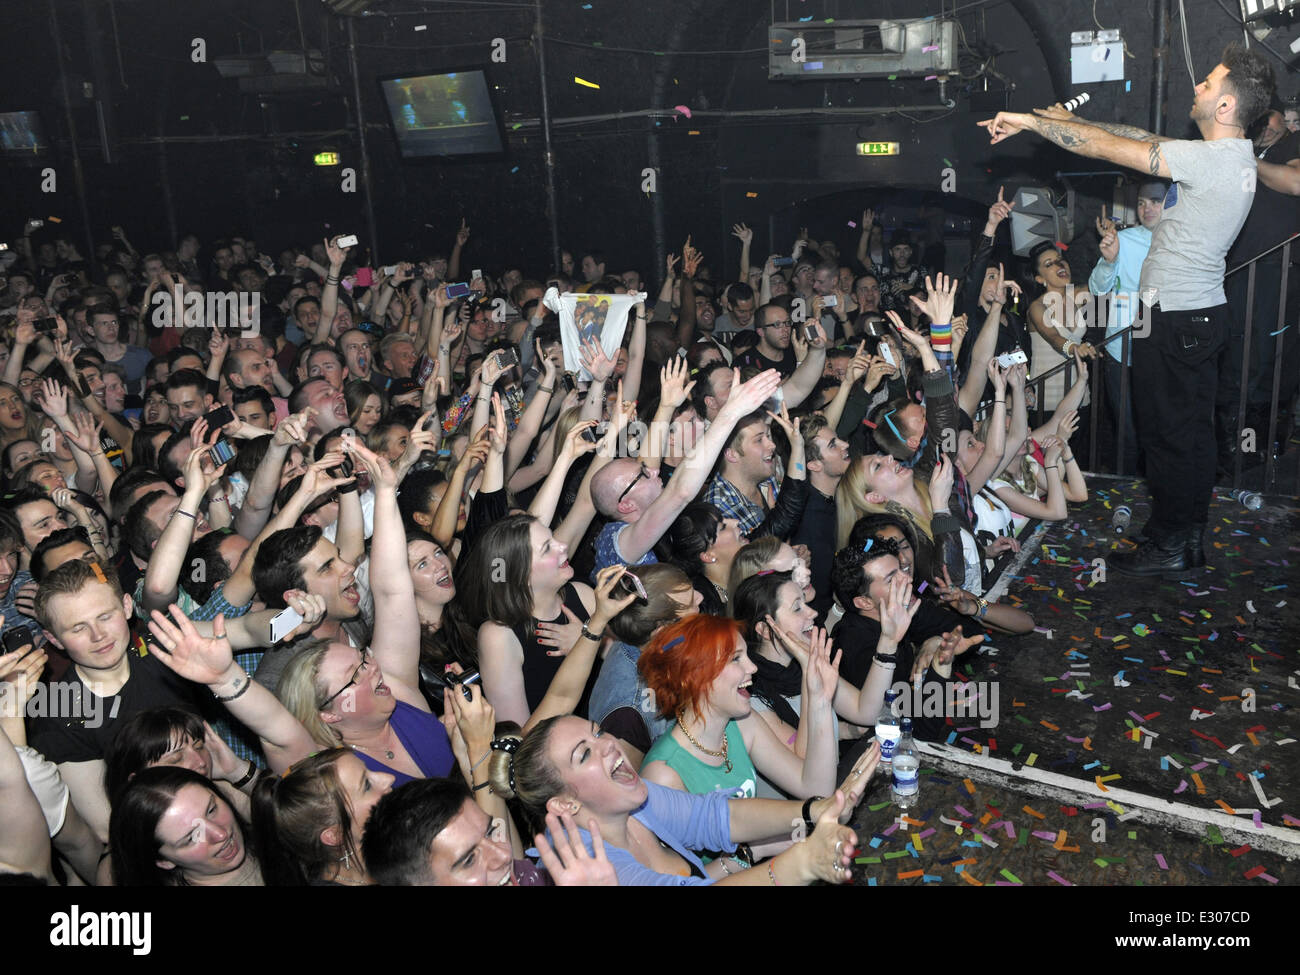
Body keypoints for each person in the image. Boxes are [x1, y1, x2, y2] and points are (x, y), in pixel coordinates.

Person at [981, 44, 1275, 575]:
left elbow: (1107, 149)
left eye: (1209, 84)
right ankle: (1177, 534)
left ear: (1228, 107)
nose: (1199, 88)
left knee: (1170, 437)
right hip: (1188, 316)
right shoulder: (1225, 157)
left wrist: (1029, 122)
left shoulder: (1212, 160)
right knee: (1181, 434)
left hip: (1179, 318)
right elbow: (1142, 140)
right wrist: (1069, 120)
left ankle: (1174, 544)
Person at [485, 713, 875, 885]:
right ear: (565, 803)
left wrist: (814, 810)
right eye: (584, 754)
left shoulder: (631, 799)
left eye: (598, 732)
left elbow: (716, 817)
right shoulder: (586, 866)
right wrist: (802, 863)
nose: (607, 745)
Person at [1088, 184, 1166, 474]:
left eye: (1155, 202)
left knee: (1159, 428)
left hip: (1163, 351)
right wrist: (1109, 261)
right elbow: (1097, 288)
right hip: (1122, 350)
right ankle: (1126, 489)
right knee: (1127, 430)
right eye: (1143, 203)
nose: (1147, 209)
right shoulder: (1124, 239)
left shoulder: (1182, 240)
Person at [109, 766, 262, 885]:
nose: (220, 834)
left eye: (211, 810)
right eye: (192, 837)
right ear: (164, 861)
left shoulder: (267, 837)